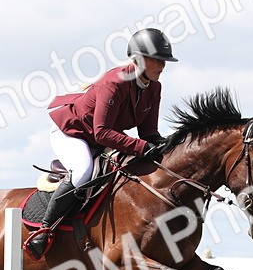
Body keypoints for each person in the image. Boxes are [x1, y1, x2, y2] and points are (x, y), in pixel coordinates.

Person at [24, 27, 179, 258]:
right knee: (83, 171)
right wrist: (141, 147)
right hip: (73, 132)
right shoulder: (114, 83)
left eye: (164, 60)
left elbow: (148, 132)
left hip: (103, 136)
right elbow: (102, 132)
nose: (162, 65)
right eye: (156, 59)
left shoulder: (154, 87)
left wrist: (168, 146)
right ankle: (44, 230)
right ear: (138, 59)